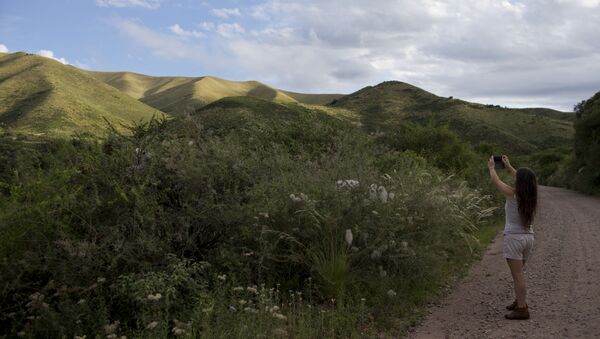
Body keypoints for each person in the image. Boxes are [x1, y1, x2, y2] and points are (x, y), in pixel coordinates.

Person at [488, 155, 537, 320]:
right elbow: (524, 179)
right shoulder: (531, 195)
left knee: (518, 275)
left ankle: (522, 309)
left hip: (514, 238)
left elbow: (496, 182)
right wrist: (509, 166)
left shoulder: (512, 194)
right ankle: (519, 301)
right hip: (528, 238)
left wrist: (492, 168)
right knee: (519, 273)